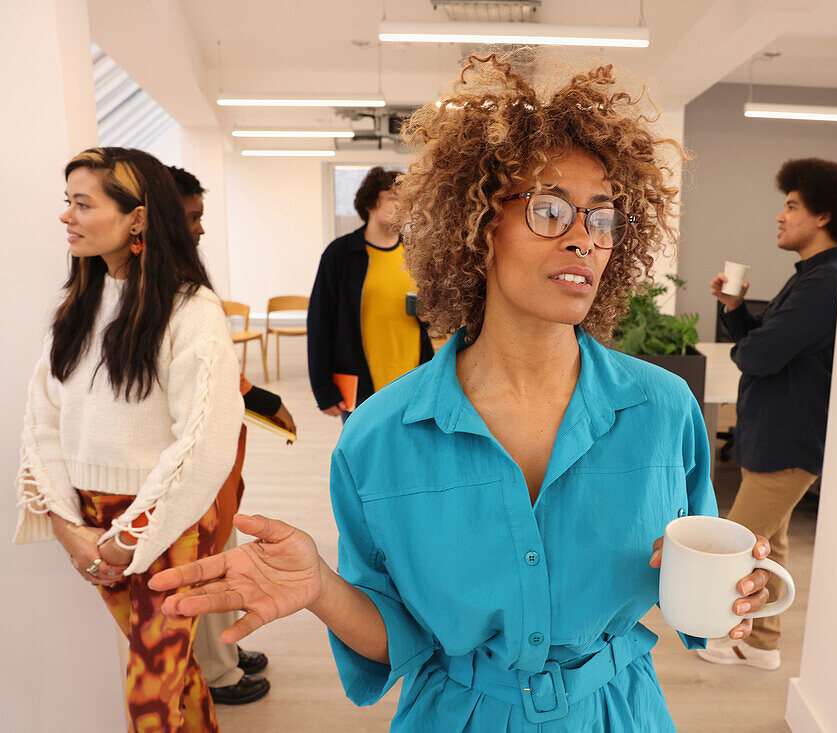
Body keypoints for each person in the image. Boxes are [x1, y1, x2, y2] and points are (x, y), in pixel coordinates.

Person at [149, 53, 779, 731]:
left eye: (601, 217)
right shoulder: (381, 436)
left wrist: (741, 589)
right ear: (478, 228)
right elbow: (398, 633)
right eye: (549, 210)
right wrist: (322, 588)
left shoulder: (663, 412)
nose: (582, 239)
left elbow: (697, 586)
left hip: (617, 713)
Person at [15, 147, 243, 731]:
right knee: (171, 670)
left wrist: (120, 543)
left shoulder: (192, 311)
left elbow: (203, 443)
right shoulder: (76, 307)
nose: (67, 216)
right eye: (68, 202)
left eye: (83, 204)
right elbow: (42, 423)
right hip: (90, 522)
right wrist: (71, 531)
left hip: (168, 523)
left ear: (137, 219)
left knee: (150, 689)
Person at [700, 157, 837, 669]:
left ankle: (716, 630)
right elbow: (760, 344)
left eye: (791, 206)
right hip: (773, 437)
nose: (781, 217)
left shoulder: (825, 283)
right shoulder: (810, 276)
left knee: (733, 545)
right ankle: (762, 642)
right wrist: (737, 309)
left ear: (823, 215)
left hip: (788, 442)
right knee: (769, 545)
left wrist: (752, 342)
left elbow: (759, 355)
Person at [169, 165, 298, 705]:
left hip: (221, 459)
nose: (200, 229)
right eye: (192, 217)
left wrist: (262, 401)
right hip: (190, 464)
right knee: (203, 558)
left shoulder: (182, 282)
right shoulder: (164, 294)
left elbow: (221, 370)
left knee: (221, 546)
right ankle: (218, 672)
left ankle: (221, 650)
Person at [307, 167, 434, 420]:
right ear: (369, 203)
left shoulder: (416, 254)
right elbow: (320, 322)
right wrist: (323, 389)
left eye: (406, 199)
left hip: (414, 381)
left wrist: (429, 314)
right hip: (361, 386)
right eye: (392, 197)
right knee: (364, 457)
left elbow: (432, 314)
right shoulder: (341, 254)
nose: (401, 205)